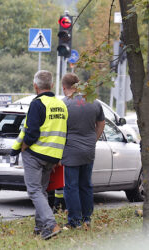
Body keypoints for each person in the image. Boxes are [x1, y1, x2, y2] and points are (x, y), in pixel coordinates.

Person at [11, 70, 68, 240]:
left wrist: (23, 147)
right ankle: (40, 226)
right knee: (41, 191)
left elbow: (32, 132)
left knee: (34, 191)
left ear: (35, 86)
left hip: (36, 153)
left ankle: (50, 224)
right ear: (51, 85)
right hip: (53, 155)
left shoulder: (38, 104)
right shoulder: (61, 105)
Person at [61, 73, 105, 228]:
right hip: (88, 150)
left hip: (71, 150)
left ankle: (74, 221)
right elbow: (101, 123)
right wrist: (93, 140)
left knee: (71, 186)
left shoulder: (64, 104)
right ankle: (87, 219)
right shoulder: (94, 102)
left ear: (64, 86)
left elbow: (59, 130)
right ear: (78, 84)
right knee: (86, 184)